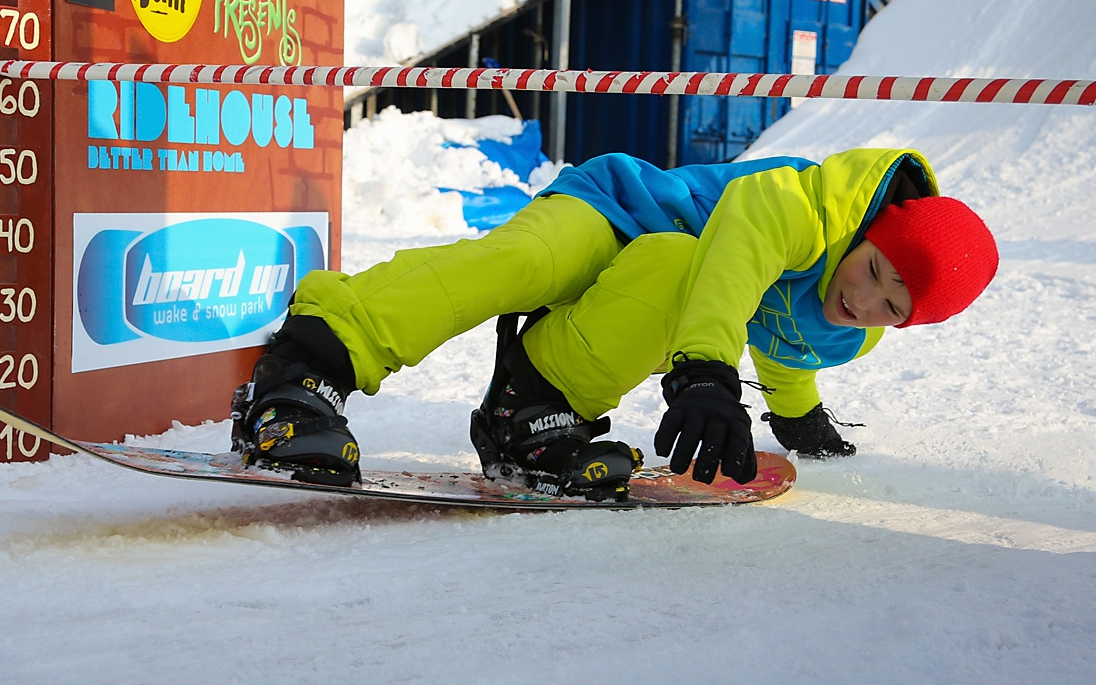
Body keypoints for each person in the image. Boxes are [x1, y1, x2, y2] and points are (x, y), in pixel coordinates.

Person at [230, 147, 999, 499]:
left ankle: (528, 413)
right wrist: (705, 370)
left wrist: (800, 422)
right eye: (872, 270)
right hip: (613, 209)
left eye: (892, 307)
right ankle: (308, 366)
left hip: (653, 281)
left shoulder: (850, 330)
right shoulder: (803, 203)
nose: (863, 301)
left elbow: (792, 347)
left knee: (670, 269)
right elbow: (734, 258)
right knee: (521, 264)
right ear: (871, 229)